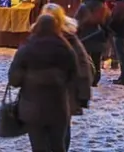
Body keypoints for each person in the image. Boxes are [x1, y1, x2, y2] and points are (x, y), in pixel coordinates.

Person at [7, 14, 78, 152]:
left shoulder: (26, 48)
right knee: (58, 146)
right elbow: (73, 76)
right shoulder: (66, 48)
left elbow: (14, 79)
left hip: (32, 108)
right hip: (59, 107)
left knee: (38, 147)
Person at [42, 4, 93, 152]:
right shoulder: (37, 38)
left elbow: (83, 67)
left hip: (63, 94)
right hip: (45, 95)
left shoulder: (69, 39)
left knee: (60, 131)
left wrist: (83, 94)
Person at [74, 0, 109, 87]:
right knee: (96, 59)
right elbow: (107, 21)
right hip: (98, 36)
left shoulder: (84, 5)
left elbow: (76, 20)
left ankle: (85, 77)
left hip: (84, 37)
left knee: (84, 59)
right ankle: (95, 79)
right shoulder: (103, 7)